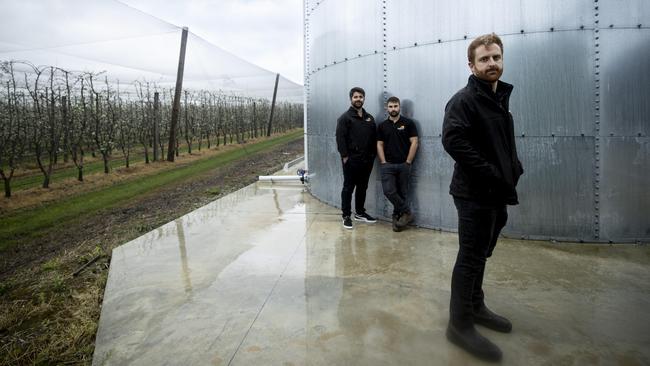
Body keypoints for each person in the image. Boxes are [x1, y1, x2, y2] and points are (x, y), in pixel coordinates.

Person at [441, 33, 524, 362]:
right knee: (471, 256)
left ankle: (475, 306)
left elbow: (499, 141)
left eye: (496, 57)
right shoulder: (464, 100)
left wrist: (513, 167)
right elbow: (453, 141)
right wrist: (491, 171)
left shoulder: (497, 97)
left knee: (482, 253)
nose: (492, 63)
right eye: (485, 59)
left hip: (496, 192)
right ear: (471, 64)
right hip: (473, 193)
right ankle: (458, 325)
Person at [336, 87, 378, 229]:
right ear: (351, 99)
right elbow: (340, 139)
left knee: (362, 187)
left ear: (364, 99)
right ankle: (346, 215)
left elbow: (374, 138)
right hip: (351, 161)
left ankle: (360, 212)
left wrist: (373, 156)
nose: (358, 99)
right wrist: (345, 156)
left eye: (361, 96)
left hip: (367, 160)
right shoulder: (345, 118)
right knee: (348, 188)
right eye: (355, 97)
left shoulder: (369, 118)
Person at [376, 96, 419, 232]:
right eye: (390, 106)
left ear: (399, 107)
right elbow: (379, 144)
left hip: (403, 165)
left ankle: (398, 219)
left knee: (402, 193)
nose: (393, 109)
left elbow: (414, 142)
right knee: (389, 191)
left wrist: (408, 162)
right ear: (386, 108)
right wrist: (383, 161)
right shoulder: (382, 126)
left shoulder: (408, 123)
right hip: (387, 165)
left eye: (395, 106)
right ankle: (407, 212)